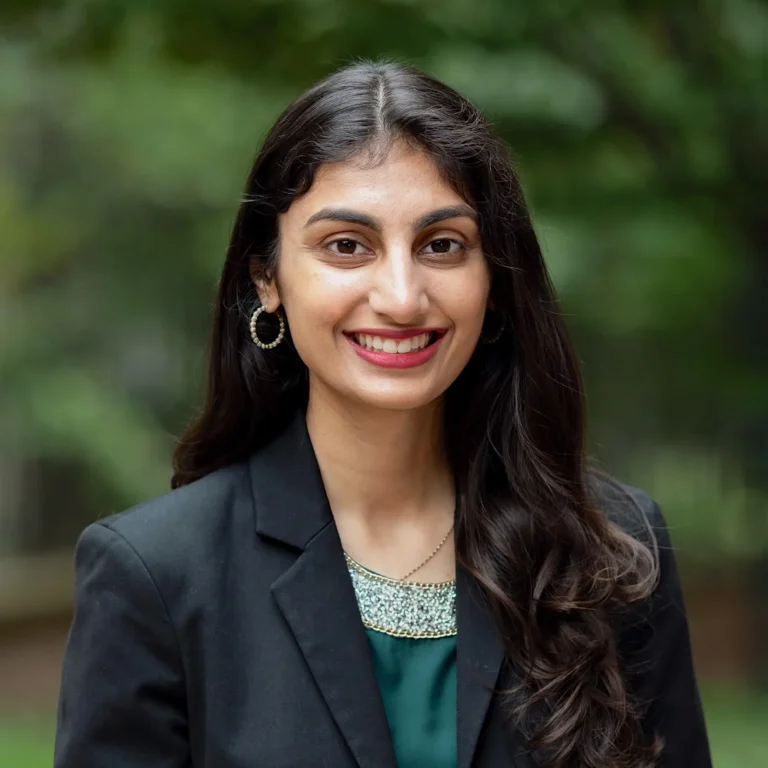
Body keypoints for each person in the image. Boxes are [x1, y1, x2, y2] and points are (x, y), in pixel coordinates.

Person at [53, 61, 712, 768]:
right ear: (266, 277)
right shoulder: (155, 576)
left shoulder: (611, 553)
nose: (401, 296)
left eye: (442, 245)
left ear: (494, 279)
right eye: (347, 246)